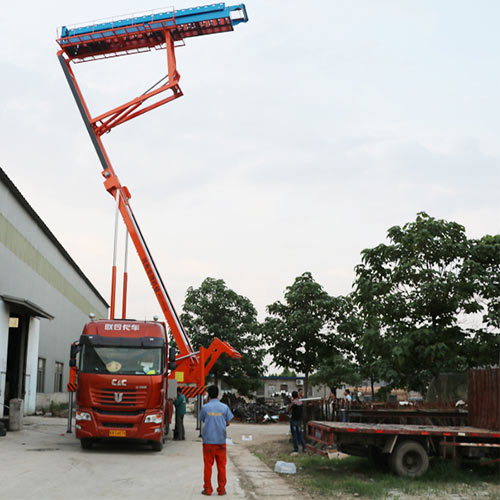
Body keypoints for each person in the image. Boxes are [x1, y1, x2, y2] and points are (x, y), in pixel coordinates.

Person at [198, 385, 233, 496]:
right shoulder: (224, 407)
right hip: (220, 441)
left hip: (208, 442)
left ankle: (208, 489)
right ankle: (221, 489)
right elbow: (228, 422)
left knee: (208, 466)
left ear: (208, 394)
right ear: (218, 394)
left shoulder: (205, 407)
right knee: (221, 466)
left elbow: (202, 419)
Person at [288, 390, 306, 455]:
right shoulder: (301, 403)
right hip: (299, 420)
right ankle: (304, 447)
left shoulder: (293, 403)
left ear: (292, 396)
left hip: (293, 420)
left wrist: (291, 401)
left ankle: (296, 449)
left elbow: (289, 408)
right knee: (300, 434)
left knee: (295, 435)